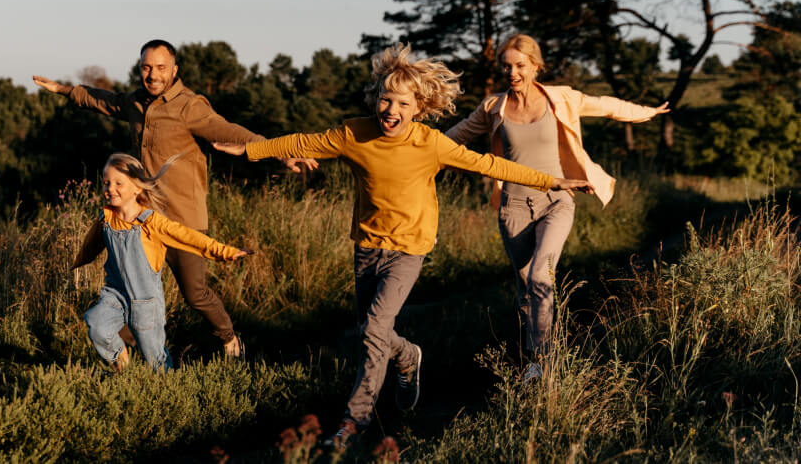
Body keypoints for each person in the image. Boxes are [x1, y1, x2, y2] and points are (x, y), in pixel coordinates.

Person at [212, 43, 591, 444]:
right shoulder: (352, 134)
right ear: (376, 99)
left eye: (402, 104)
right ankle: (408, 357)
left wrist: (553, 180)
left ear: (418, 109)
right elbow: (302, 142)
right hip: (367, 247)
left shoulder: (431, 143)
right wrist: (251, 150)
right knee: (369, 331)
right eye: (385, 99)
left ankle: (352, 423)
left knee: (374, 328)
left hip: (410, 249)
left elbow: (490, 164)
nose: (391, 110)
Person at [33, 39, 315, 357]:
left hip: (183, 217)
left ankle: (228, 339)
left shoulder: (189, 106)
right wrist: (64, 90)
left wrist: (279, 152)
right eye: (146, 67)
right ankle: (129, 350)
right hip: (144, 220)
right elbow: (105, 101)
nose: (152, 75)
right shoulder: (136, 102)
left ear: (174, 70)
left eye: (160, 68)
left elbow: (229, 130)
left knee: (195, 293)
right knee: (133, 291)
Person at [445, 34, 668, 383]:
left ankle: (543, 361)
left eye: (520, 65)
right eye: (507, 66)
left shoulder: (560, 98)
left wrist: (647, 112)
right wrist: (414, 151)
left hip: (557, 200)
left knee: (539, 276)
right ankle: (531, 358)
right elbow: (452, 138)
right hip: (513, 206)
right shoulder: (493, 108)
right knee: (525, 289)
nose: (513, 72)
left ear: (536, 66)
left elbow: (605, 105)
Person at [73, 153, 251, 371]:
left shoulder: (152, 222)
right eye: (107, 182)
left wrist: (224, 251)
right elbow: (91, 243)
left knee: (155, 358)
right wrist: (78, 262)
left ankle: (166, 388)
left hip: (145, 303)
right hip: (115, 295)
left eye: (119, 183)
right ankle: (121, 361)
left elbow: (188, 237)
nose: (110, 188)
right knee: (96, 322)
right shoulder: (106, 218)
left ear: (137, 188)